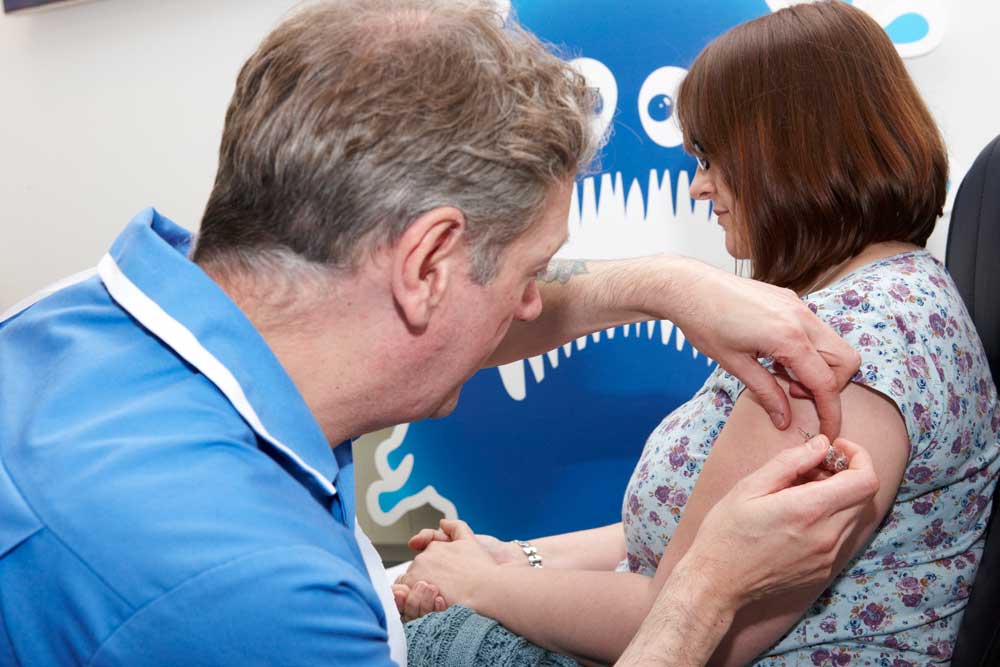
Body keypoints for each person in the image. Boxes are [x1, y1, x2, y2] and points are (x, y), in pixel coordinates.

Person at [0, 1, 874, 665]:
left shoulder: (72, 318)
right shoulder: (264, 599)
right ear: (426, 265)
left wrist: (667, 287)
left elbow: (426, 315)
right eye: (533, 273)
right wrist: (705, 594)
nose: (533, 307)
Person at [394, 2, 1000, 666]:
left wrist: (483, 586)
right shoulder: (847, 303)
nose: (698, 188)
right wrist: (519, 559)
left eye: (710, 158)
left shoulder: (851, 344)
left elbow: (696, 617)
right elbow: (684, 536)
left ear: (788, 149)